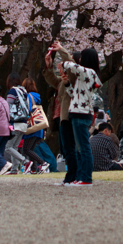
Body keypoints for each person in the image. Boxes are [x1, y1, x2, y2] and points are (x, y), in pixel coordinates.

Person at [62, 46, 103, 186]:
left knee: (83, 148)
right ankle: (81, 177)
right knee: (80, 148)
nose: (78, 60)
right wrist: (67, 84)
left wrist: (63, 58)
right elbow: (75, 94)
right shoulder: (87, 75)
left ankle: (86, 178)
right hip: (79, 112)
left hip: (81, 113)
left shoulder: (89, 72)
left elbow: (70, 65)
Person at [43, 41, 74, 183]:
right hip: (60, 117)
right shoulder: (62, 82)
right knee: (64, 147)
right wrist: (49, 66)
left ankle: (74, 175)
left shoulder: (74, 78)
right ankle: (71, 174)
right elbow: (51, 79)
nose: (60, 69)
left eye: (62, 67)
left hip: (68, 116)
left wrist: (61, 50)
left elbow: (70, 63)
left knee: (69, 147)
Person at [3, 73, 31, 173]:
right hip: (23, 123)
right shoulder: (23, 91)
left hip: (16, 122)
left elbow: (8, 106)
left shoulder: (13, 91)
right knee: (14, 147)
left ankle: (25, 161)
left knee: (8, 147)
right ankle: (14, 169)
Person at [21, 78, 48, 173]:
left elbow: (27, 110)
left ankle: (43, 163)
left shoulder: (28, 96)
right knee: (31, 149)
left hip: (31, 126)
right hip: (38, 126)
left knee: (26, 149)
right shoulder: (37, 96)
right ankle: (33, 169)